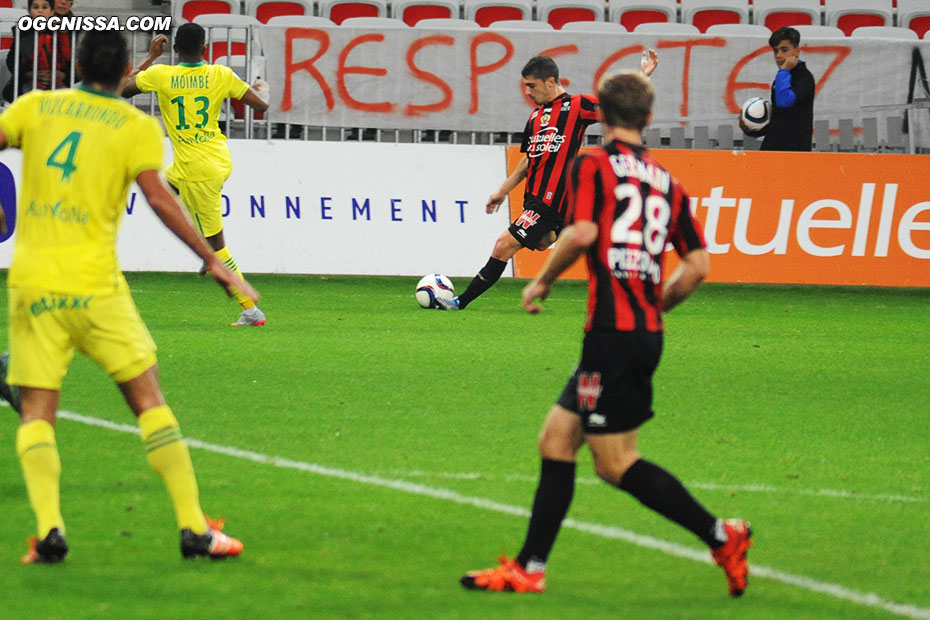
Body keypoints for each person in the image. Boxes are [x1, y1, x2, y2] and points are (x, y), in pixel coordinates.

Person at [461, 71, 752, 597]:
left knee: (615, 464)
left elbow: (583, 231)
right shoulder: (666, 179)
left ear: (603, 116)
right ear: (646, 118)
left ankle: (720, 534)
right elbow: (699, 265)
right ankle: (530, 567)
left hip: (613, 334)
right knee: (556, 439)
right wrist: (655, 306)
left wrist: (543, 280)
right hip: (637, 330)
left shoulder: (593, 163)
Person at [0, 30, 256, 564]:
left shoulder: (35, 107)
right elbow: (160, 198)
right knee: (148, 401)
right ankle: (194, 529)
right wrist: (209, 259)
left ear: (79, 63)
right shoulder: (133, 126)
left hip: (34, 283)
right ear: (123, 74)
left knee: (37, 411)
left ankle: (49, 531)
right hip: (96, 285)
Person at [437, 51, 657, 310]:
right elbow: (528, 160)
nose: (528, 92)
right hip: (536, 200)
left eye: (532, 85)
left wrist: (643, 76)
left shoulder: (577, 106)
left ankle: (459, 302)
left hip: (551, 202)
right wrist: (502, 191)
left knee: (503, 246)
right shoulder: (535, 117)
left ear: (550, 82)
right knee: (549, 244)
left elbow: (619, 109)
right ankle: (555, 234)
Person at [121, 24, 270, 326]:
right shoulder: (220, 74)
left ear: (174, 50)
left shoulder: (162, 75)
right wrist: (257, 90)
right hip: (216, 159)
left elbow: (122, 89)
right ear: (205, 50)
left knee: (218, 246)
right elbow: (260, 106)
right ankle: (205, 252)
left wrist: (150, 57)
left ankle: (250, 310)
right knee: (165, 186)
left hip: (196, 171)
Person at [745, 26, 815, 152]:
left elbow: (785, 101)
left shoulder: (804, 77)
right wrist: (755, 128)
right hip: (774, 145)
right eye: (775, 51)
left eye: (784, 50)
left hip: (794, 150)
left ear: (796, 52)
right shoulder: (784, 76)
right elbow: (781, 117)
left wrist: (784, 71)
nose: (778, 56)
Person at [2, 0, 71, 103]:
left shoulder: (66, 31)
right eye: (35, 7)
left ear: (52, 11)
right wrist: (29, 74)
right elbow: (13, 61)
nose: (40, 11)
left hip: (60, 84)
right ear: (29, 11)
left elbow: (73, 61)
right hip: (29, 83)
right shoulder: (24, 31)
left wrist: (63, 76)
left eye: (44, 8)